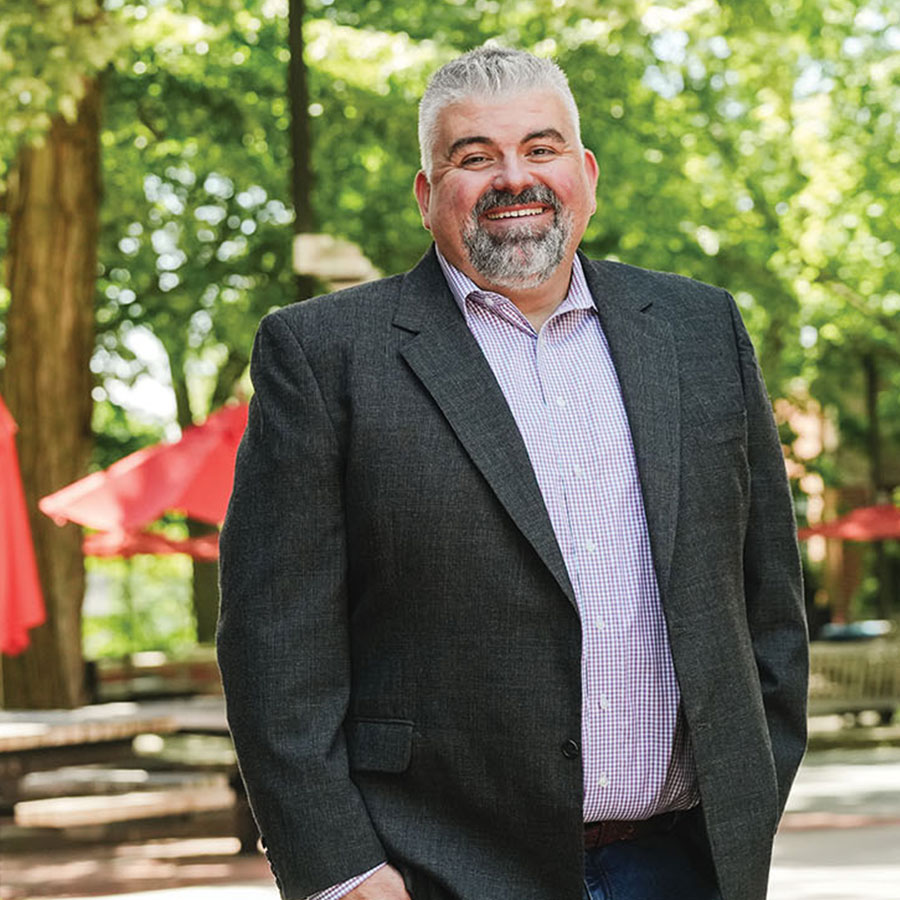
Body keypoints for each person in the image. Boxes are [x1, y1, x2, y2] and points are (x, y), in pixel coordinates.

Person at [217, 46, 808, 900]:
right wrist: (339, 871)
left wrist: (754, 790)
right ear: (428, 195)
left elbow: (768, 599)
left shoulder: (700, 330)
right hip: (440, 872)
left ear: (586, 174)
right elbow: (275, 646)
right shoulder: (323, 356)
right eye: (474, 157)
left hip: (687, 865)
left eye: (541, 148)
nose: (513, 178)